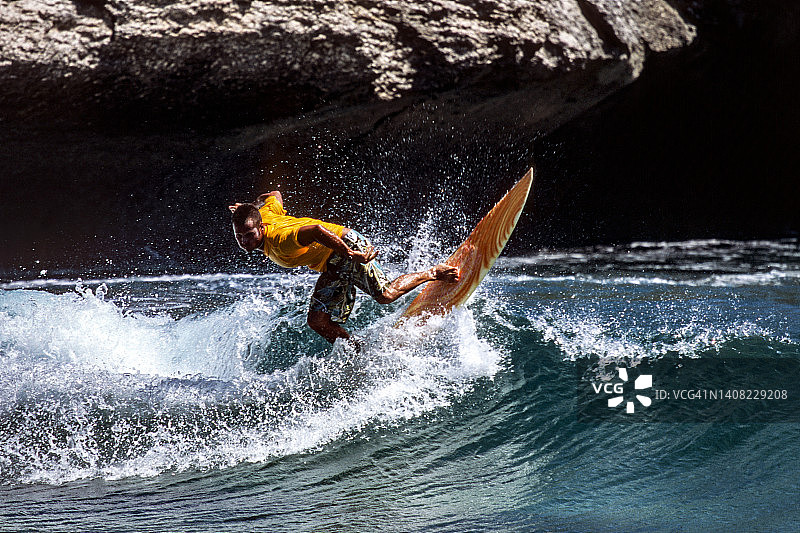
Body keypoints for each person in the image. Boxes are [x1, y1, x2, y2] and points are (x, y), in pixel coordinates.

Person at [229, 190, 459, 344]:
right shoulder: (265, 214)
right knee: (317, 321)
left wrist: (348, 253)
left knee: (386, 295)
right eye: (239, 236)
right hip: (333, 263)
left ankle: (434, 272)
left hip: (347, 246)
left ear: (261, 227)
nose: (244, 241)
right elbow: (274, 195)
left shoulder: (281, 239)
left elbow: (317, 231)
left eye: (249, 234)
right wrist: (250, 207)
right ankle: (358, 350)